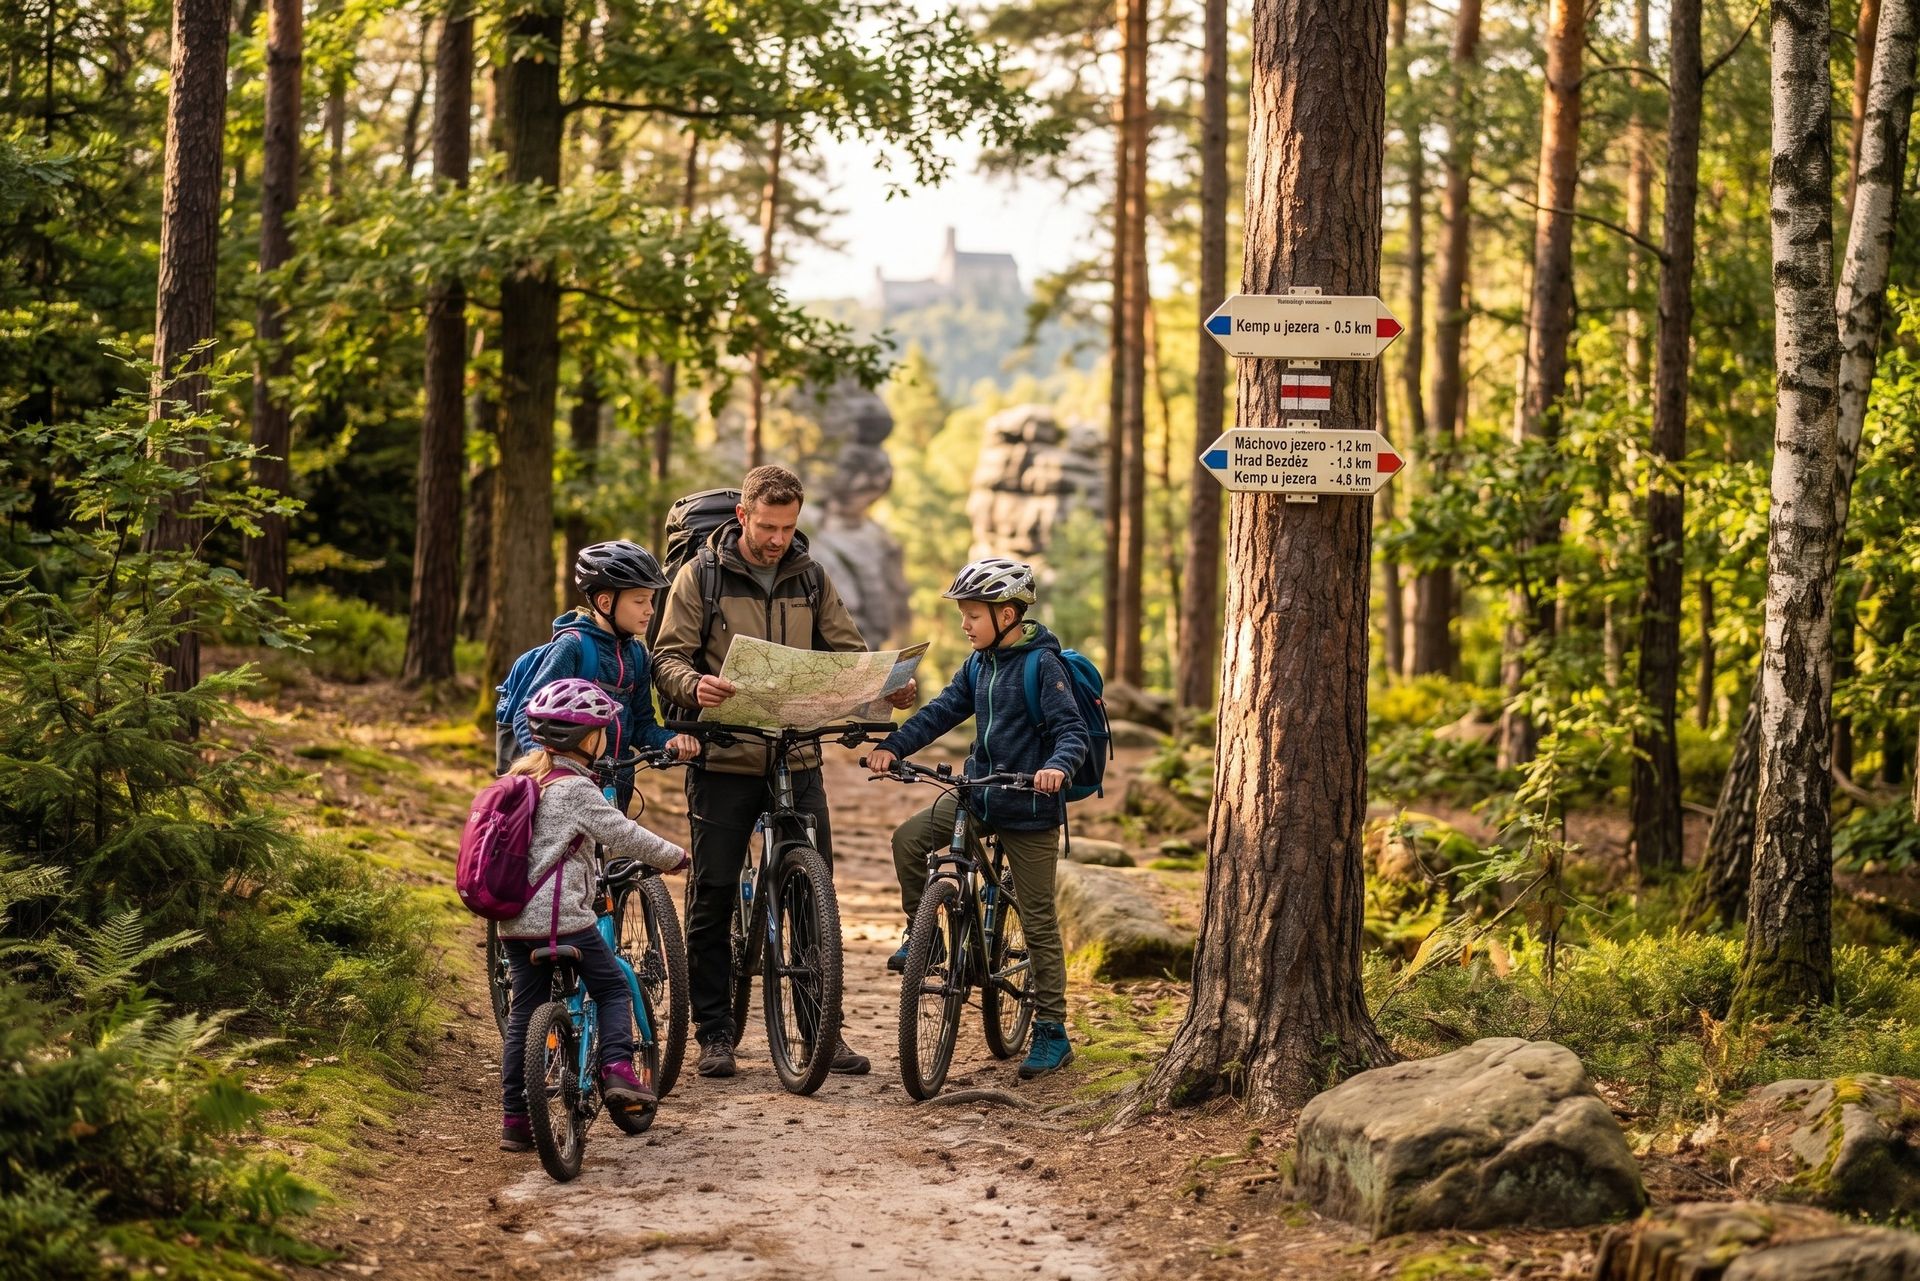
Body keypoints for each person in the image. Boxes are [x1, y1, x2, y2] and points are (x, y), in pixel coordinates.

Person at [652, 464, 916, 1079]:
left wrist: (885, 686)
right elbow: (666, 657)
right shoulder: (701, 576)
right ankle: (715, 1033)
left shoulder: (811, 577)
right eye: (767, 527)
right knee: (714, 891)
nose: (777, 540)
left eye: (788, 528)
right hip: (724, 756)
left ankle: (822, 1030)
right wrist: (694, 685)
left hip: (797, 757)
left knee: (813, 897)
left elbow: (848, 654)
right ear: (742, 515)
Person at [864, 558, 1088, 1080]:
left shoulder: (1042, 666)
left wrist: (1056, 768)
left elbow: (1072, 732)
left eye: (972, 615)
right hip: (978, 796)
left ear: (1006, 615)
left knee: (1037, 919)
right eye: (962, 614)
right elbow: (941, 711)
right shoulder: (978, 665)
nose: (964, 624)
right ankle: (929, 940)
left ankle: (1052, 1030)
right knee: (909, 839)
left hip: (1028, 807)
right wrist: (894, 747)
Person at [496, 678, 690, 1153]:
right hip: (563, 920)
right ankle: (617, 1068)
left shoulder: (521, 781)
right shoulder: (577, 790)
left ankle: (515, 1120)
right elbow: (626, 835)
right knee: (612, 985)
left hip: (515, 923)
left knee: (523, 1014)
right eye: (602, 731)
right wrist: (676, 858)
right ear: (587, 739)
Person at [510, 541, 701, 806]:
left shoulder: (638, 655)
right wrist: (552, 769)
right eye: (639, 601)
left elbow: (642, 724)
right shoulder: (573, 647)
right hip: (569, 789)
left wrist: (670, 742)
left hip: (617, 785)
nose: (650, 609)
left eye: (650, 600)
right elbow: (528, 714)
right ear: (605, 602)